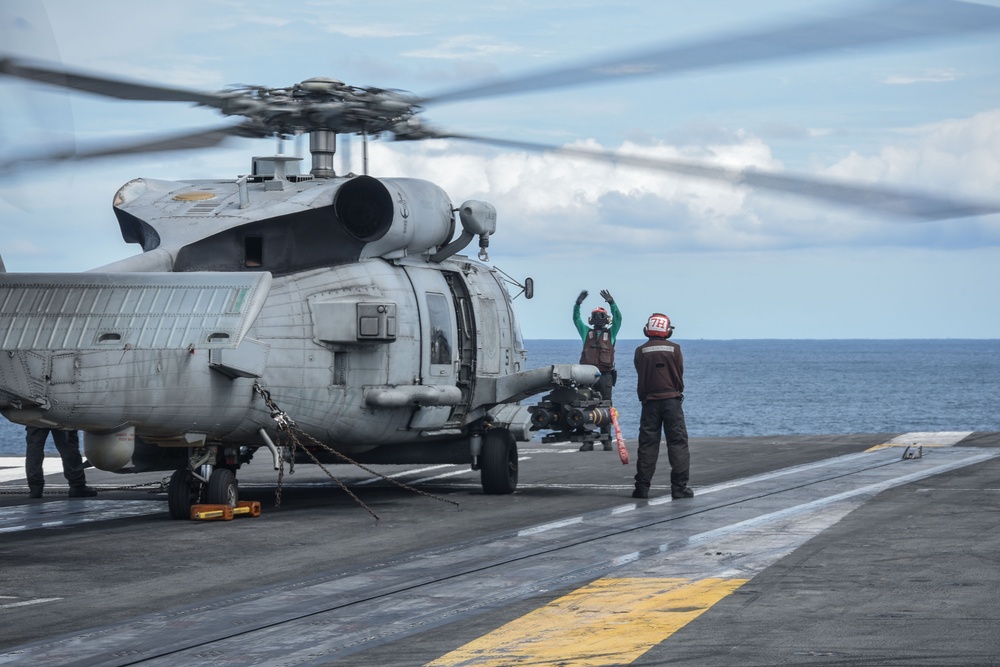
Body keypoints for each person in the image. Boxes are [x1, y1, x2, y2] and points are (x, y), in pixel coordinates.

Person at [632, 313, 693, 500]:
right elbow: (679, 373)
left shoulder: (640, 351)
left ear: (647, 330)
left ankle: (642, 488)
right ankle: (679, 488)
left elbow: (640, 373)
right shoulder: (675, 349)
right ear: (667, 331)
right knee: (678, 443)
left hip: (649, 402)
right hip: (672, 401)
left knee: (647, 444)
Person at [573, 289, 622, 451]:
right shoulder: (586, 332)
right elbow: (576, 319)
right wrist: (577, 304)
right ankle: (588, 441)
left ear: (606, 319)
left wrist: (612, 302)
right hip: (587, 376)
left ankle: (606, 440)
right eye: (595, 316)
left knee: (606, 407)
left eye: (601, 316)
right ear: (592, 319)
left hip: (605, 376)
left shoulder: (611, 333)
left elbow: (619, 319)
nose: (598, 319)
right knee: (586, 407)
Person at [25, 427, 98, 498]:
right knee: (68, 446)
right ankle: (77, 485)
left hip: (37, 416)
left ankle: (35, 488)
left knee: (34, 450)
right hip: (60, 417)